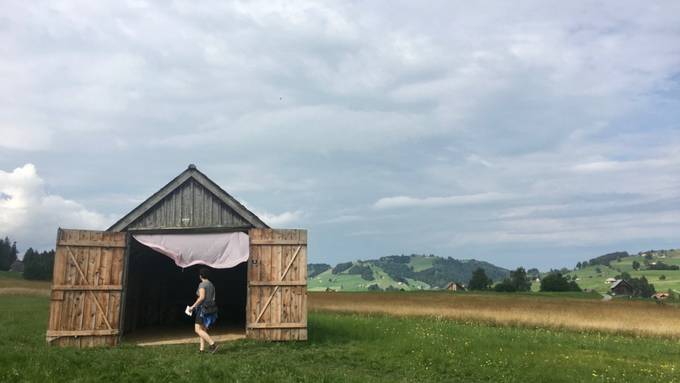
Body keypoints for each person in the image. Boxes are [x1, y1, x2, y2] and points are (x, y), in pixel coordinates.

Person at [189, 267, 219, 354]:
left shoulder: (202, 285)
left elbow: (201, 297)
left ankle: (213, 344)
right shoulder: (211, 285)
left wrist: (192, 307)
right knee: (203, 329)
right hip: (210, 309)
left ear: (201, 276)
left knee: (197, 329)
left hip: (203, 310)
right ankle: (201, 350)